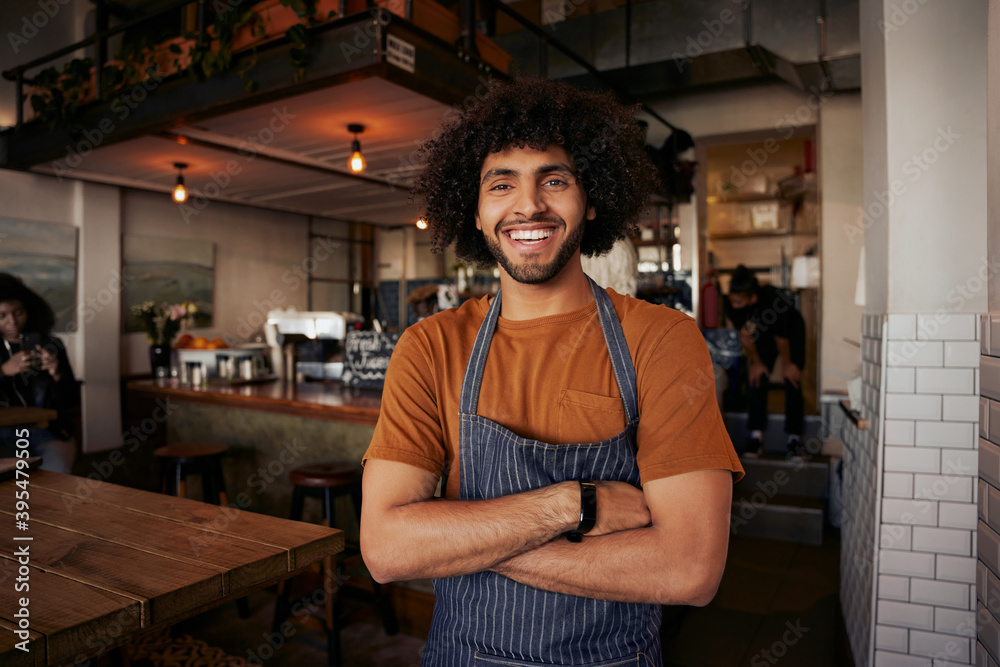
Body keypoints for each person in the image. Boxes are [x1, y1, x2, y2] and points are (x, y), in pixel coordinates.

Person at [360, 77, 743, 666]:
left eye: (555, 180)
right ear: (477, 209)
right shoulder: (429, 346)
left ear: (592, 198)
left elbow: (689, 569)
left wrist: (460, 544)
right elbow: (386, 551)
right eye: (501, 183)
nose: (529, 205)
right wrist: (572, 505)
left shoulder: (662, 341)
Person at [723, 265, 806, 458]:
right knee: (756, 376)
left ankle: (794, 439)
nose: (734, 305)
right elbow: (745, 337)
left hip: (790, 330)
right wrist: (757, 363)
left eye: (739, 301)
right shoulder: (731, 304)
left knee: (792, 377)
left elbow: (782, 339)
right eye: (732, 300)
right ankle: (756, 437)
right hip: (762, 334)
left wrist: (787, 365)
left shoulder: (773, 299)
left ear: (752, 297)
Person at [0, 273, 79, 473]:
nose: (13, 322)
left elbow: (72, 400)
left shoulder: (51, 344)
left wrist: (56, 373)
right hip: (4, 433)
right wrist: (3, 371)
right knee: (14, 487)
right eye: (2, 316)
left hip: (49, 431)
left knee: (57, 477)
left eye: (19, 312)